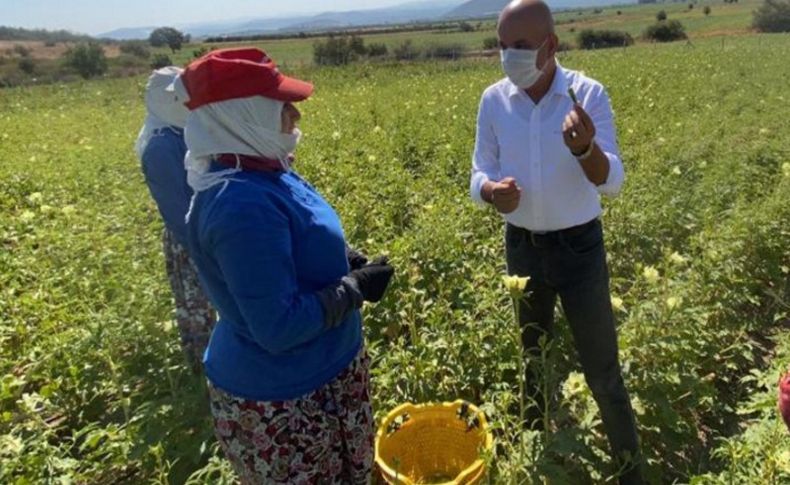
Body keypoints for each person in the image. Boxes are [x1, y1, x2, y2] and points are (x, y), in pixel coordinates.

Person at [174, 48, 394, 484]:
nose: (294, 114)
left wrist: (342, 260)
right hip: (286, 402)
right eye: (280, 105)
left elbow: (298, 234)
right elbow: (277, 327)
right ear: (244, 115)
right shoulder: (239, 206)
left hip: (323, 374)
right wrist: (353, 288)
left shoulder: (265, 167)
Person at [469, 1, 643, 483]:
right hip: (521, 246)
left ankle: (631, 472)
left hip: (579, 249)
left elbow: (612, 181)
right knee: (531, 362)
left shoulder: (587, 94)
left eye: (520, 47)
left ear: (552, 46)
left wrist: (585, 150)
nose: (509, 57)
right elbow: (478, 171)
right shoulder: (494, 100)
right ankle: (533, 462)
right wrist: (491, 192)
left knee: (602, 369)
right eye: (502, 47)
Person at [135, 66, 216, 373]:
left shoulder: (183, 131)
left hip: (208, 229)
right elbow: (176, 211)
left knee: (216, 299)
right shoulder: (160, 146)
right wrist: (202, 245)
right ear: (161, 102)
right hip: (191, 238)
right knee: (199, 305)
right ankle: (204, 369)